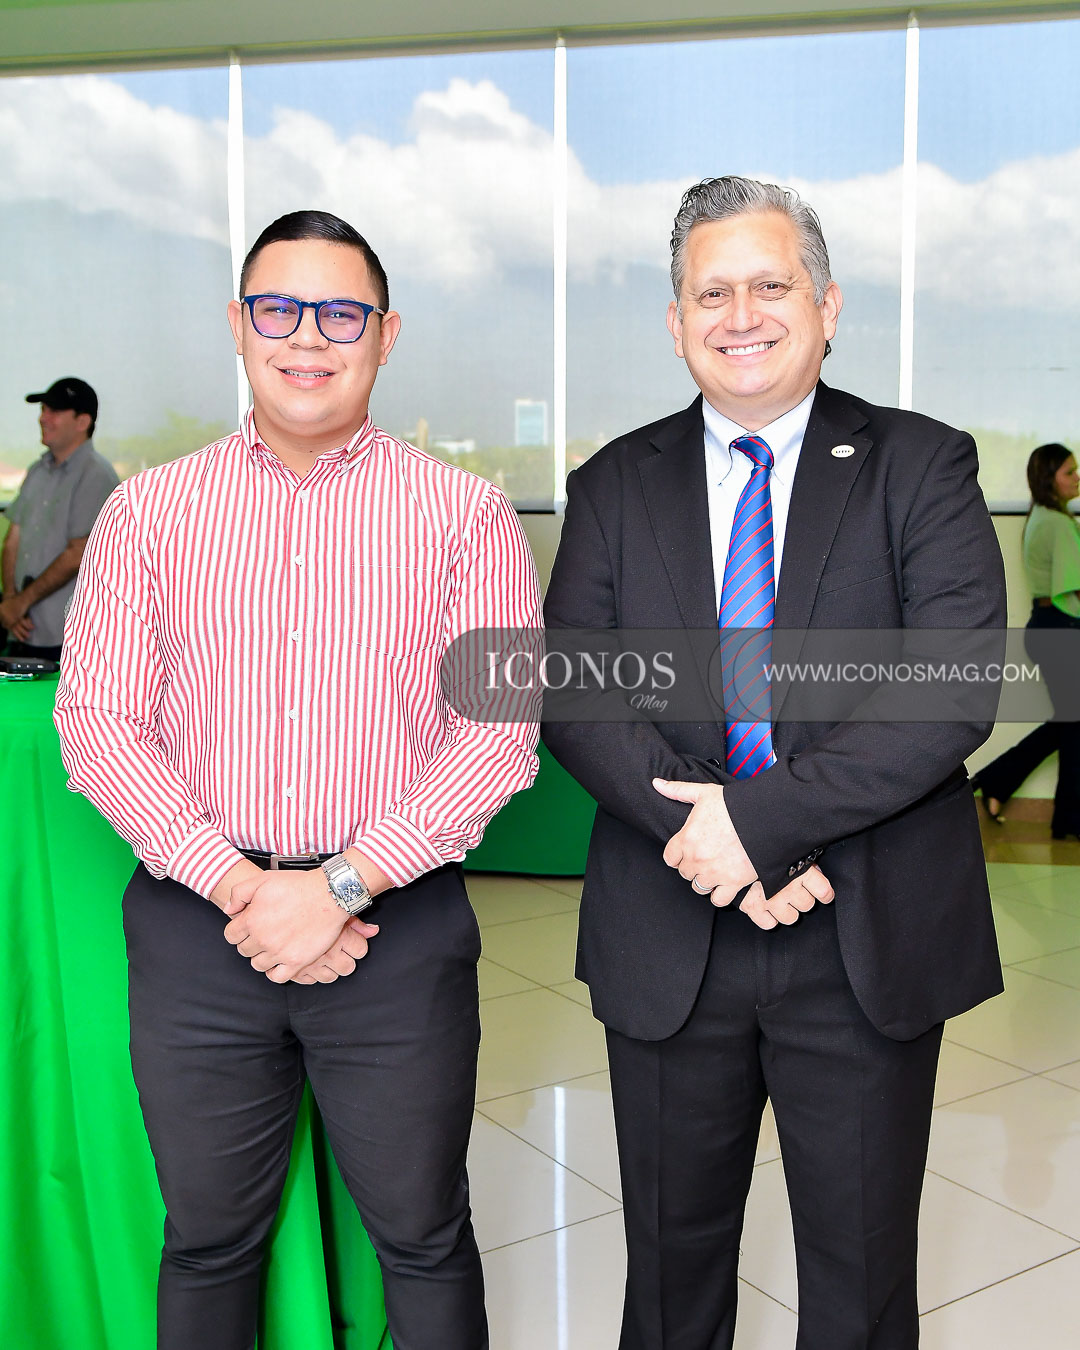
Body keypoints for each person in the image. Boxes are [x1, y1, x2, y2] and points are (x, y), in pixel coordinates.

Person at [54, 209, 541, 1350]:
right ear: (238, 326)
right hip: (197, 934)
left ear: (387, 334)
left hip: (397, 933)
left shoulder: (467, 516)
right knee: (207, 1241)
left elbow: (500, 733)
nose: (307, 337)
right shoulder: (149, 513)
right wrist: (247, 889)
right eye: (278, 310)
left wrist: (337, 887)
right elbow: (98, 724)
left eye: (341, 313)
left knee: (423, 1237)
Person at [542, 176, 1006, 1349]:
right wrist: (711, 842)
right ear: (675, 321)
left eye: (770, 284)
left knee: (859, 1280)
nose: (740, 314)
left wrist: (759, 828)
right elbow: (576, 691)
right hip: (669, 926)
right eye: (712, 292)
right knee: (670, 1277)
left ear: (826, 304)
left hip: (862, 935)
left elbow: (950, 689)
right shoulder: (612, 484)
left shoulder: (922, 465)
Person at [971, 443, 1080, 839]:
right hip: (1063, 628)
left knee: (1070, 723)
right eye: (1069, 472)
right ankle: (1066, 820)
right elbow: (1071, 590)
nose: (1077, 478)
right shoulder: (1058, 523)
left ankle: (997, 782)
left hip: (1048, 628)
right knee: (1073, 725)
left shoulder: (1041, 517)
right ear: (1049, 478)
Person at [0, 377, 117, 659]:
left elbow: (78, 553)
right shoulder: (37, 471)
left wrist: (19, 603)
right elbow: (13, 538)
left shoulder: (96, 475)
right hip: (22, 631)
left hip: (68, 640)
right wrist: (10, 602)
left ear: (82, 422)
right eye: (43, 410)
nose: (43, 418)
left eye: (54, 411)